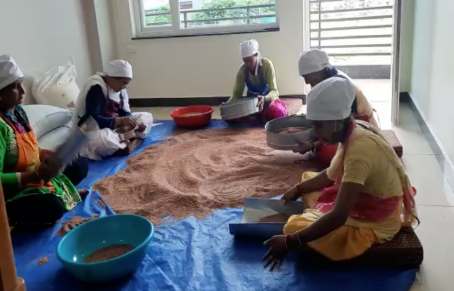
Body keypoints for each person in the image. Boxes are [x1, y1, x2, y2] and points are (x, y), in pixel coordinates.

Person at [262, 77, 417, 271]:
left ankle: (326, 228)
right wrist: (298, 189)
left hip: (376, 221)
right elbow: (330, 175)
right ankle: (311, 209)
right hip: (364, 197)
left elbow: (338, 216)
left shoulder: (359, 150)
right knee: (308, 179)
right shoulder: (352, 130)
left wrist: (289, 242)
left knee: (294, 227)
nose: (315, 134)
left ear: (336, 122)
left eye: (318, 126)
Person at [0, 55, 89, 229]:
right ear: (1, 96)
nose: (23, 91)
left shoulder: (17, 112)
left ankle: (56, 194)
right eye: (15, 87)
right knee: (52, 207)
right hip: (12, 191)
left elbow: (24, 146)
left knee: (80, 165)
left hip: (35, 176)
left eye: (21, 83)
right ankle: (10, 217)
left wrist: (43, 154)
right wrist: (32, 176)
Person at [294, 50, 379, 165]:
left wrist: (312, 145)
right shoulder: (328, 81)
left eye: (308, 77)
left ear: (319, 71)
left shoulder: (339, 86)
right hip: (343, 125)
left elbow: (341, 128)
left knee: (327, 154)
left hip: (361, 124)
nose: (306, 81)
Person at [73, 60, 153, 160]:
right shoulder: (96, 88)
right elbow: (92, 118)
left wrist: (135, 123)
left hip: (116, 128)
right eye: (123, 83)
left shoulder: (121, 89)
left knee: (147, 116)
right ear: (112, 78)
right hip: (97, 129)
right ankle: (130, 141)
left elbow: (125, 111)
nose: (124, 87)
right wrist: (119, 121)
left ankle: (125, 142)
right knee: (104, 141)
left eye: (126, 84)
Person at [226, 39, 287, 123]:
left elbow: (274, 91)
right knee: (230, 116)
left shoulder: (267, 65)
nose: (247, 64)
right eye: (245, 61)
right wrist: (227, 106)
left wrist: (264, 99)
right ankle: (259, 117)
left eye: (250, 60)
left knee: (279, 113)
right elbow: (236, 94)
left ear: (256, 55)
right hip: (251, 104)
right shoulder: (242, 70)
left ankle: (259, 116)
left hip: (267, 101)